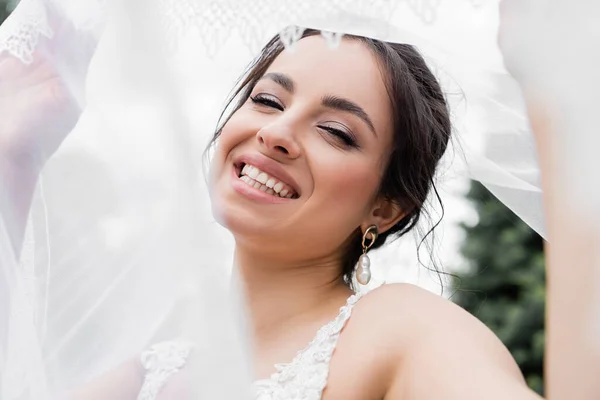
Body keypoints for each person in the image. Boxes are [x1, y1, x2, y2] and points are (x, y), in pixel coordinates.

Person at [1, 13, 547, 398]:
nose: (278, 132)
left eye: (336, 131)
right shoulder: (151, 373)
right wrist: (14, 159)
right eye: (267, 100)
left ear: (386, 207)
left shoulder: (403, 330)